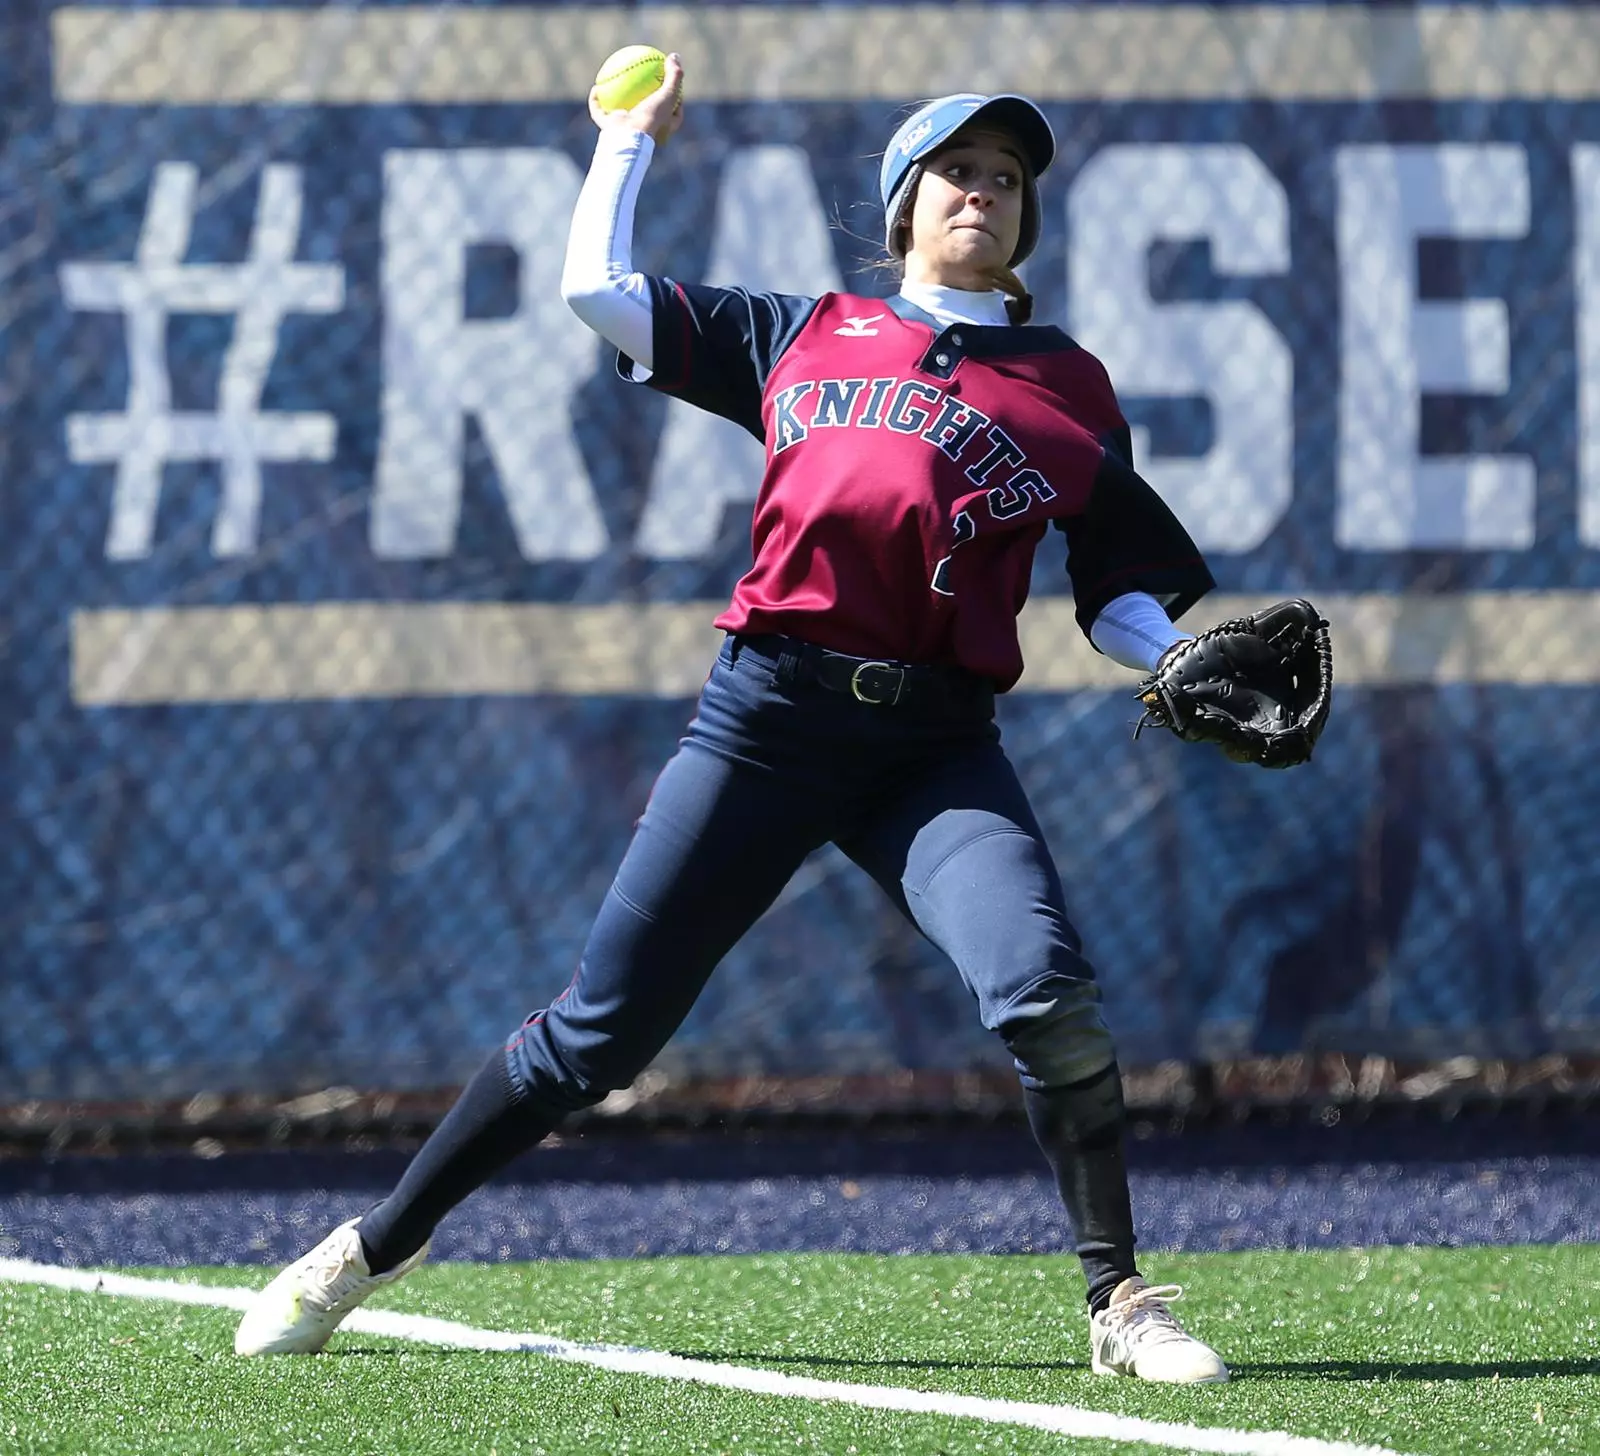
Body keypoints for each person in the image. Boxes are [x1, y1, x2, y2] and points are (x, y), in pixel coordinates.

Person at [235, 59, 1230, 1384]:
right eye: (956, 172)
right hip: (765, 722)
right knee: (597, 1037)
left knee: (1049, 998)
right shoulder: (804, 333)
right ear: (903, 207)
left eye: (1006, 177)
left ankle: (1120, 1303)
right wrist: (620, 144)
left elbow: (1110, 590)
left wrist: (1167, 659)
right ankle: (370, 1247)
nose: (983, 192)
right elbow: (597, 292)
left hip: (933, 751)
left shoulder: (1063, 383)